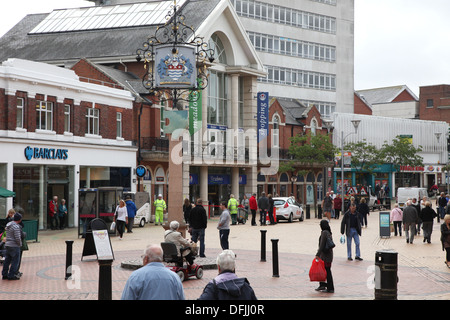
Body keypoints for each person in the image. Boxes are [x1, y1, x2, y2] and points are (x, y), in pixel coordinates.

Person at [2, 213, 25, 280]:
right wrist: (20, 244)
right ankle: (11, 275)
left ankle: (4, 274)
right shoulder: (16, 227)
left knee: (7, 260)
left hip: (8, 244)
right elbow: (17, 238)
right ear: (19, 219)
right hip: (14, 245)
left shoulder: (8, 225)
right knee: (15, 261)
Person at [315, 220, 334, 293]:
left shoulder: (324, 233)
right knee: (325, 271)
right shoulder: (328, 232)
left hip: (325, 256)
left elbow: (322, 245)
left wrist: (317, 254)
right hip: (329, 255)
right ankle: (323, 284)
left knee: (327, 271)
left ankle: (330, 288)